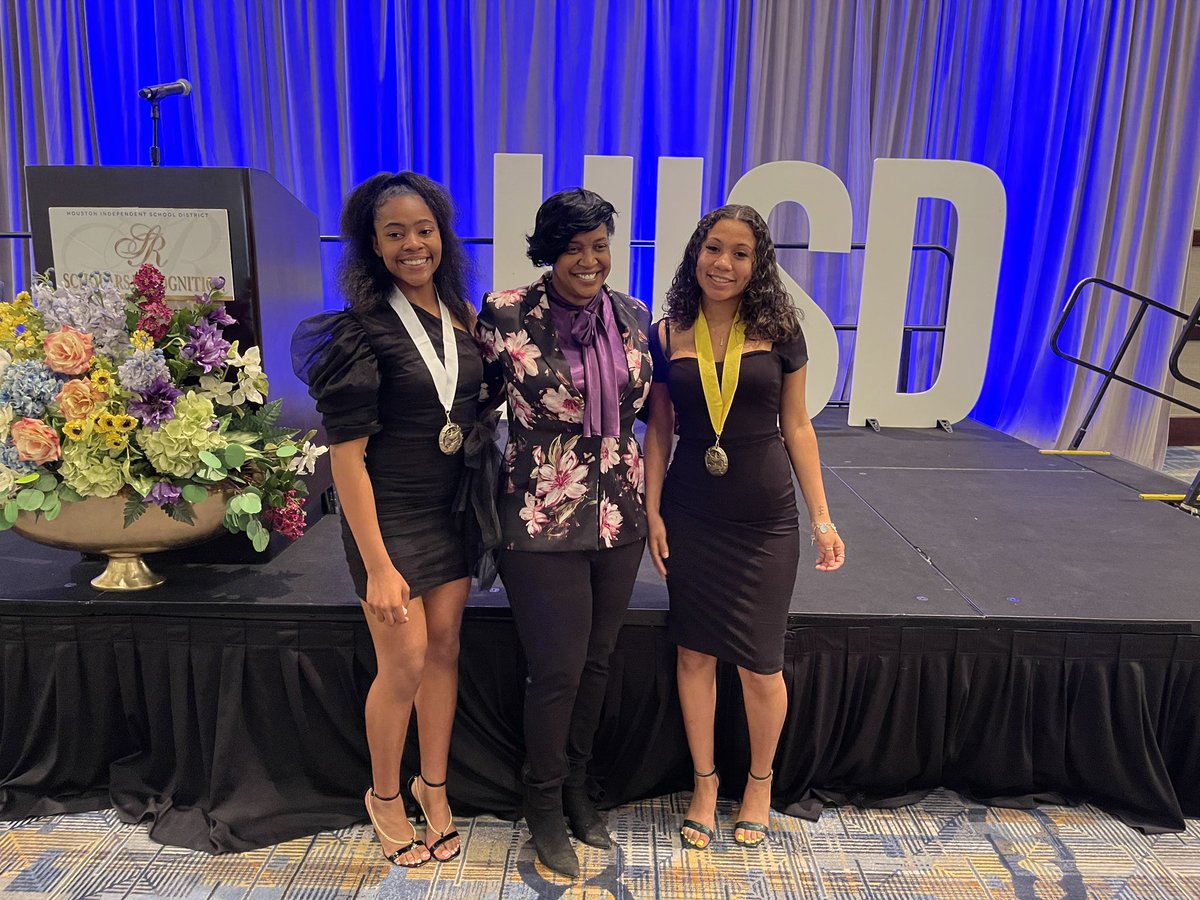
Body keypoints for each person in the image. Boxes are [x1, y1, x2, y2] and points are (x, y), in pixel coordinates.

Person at [292, 172, 483, 868]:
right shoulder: (359, 332)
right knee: (401, 663)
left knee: (445, 652)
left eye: (423, 229)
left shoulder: (464, 314)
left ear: (442, 234)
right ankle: (384, 796)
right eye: (395, 233)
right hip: (389, 515)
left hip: (452, 509)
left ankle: (433, 787)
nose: (413, 244)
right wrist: (377, 564)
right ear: (372, 245)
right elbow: (346, 463)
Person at [643, 204, 846, 851]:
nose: (722, 263)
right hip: (692, 513)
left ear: (757, 266)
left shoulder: (782, 329)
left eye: (738, 253)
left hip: (764, 522)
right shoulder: (666, 331)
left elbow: (798, 427)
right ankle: (705, 784)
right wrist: (651, 511)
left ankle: (759, 782)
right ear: (695, 252)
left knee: (761, 666)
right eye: (712, 248)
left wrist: (822, 518)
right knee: (694, 652)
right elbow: (659, 431)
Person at [475, 188, 653, 877]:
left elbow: (648, 411)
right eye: (575, 247)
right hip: (541, 512)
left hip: (620, 514)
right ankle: (542, 803)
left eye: (600, 245)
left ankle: (579, 788)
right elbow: (473, 390)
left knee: (600, 661)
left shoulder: (634, 316)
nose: (590, 260)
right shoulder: (506, 312)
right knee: (557, 669)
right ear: (549, 252)